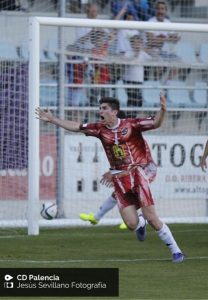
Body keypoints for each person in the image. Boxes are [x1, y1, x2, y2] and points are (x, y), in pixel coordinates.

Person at [36, 94, 185, 263]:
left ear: (115, 112)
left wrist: (163, 110)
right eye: (100, 108)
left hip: (138, 175)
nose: (100, 111)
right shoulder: (100, 129)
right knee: (131, 224)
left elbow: (156, 123)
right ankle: (139, 224)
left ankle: (176, 251)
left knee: (152, 217)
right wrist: (53, 119)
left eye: (104, 108)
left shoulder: (132, 125)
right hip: (120, 180)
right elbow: (77, 126)